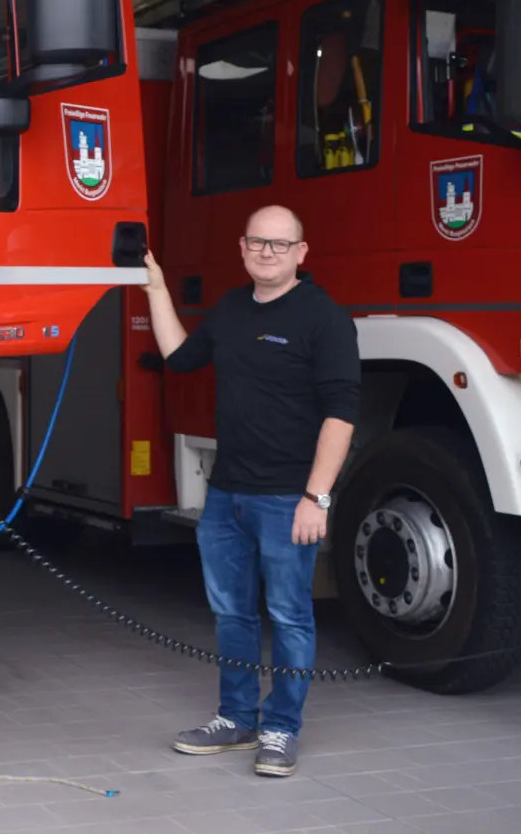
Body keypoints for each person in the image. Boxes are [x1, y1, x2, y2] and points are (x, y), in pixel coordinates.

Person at [141, 205, 360, 778]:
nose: (267, 252)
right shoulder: (232, 310)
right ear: (242, 248)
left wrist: (318, 498)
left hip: (289, 497)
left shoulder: (325, 318)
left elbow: (342, 413)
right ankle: (235, 718)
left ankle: (281, 728)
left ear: (301, 253)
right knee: (231, 613)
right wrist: (157, 287)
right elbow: (179, 357)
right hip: (226, 496)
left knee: (289, 616)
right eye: (257, 243)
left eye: (280, 244)